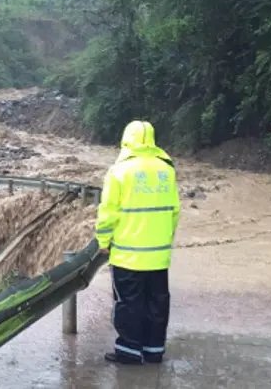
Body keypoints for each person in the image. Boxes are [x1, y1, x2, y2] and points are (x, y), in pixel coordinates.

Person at [95, 120, 180, 365]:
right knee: (157, 303)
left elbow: (108, 212)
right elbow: (175, 211)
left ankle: (129, 352)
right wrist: (165, 239)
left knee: (129, 304)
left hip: (128, 256)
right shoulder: (167, 170)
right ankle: (154, 351)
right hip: (158, 257)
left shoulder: (119, 172)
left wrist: (103, 241)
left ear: (126, 140)